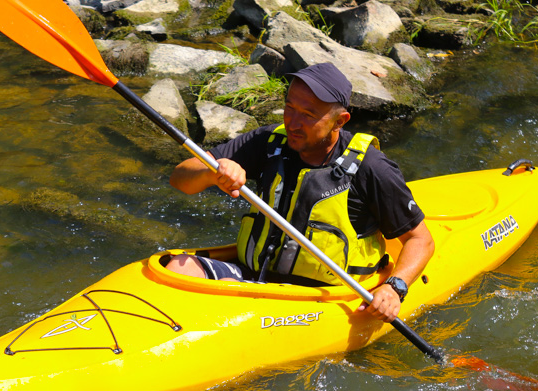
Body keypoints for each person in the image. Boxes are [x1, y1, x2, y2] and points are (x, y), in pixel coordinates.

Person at [166, 62, 434, 323]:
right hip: (254, 277)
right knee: (181, 267)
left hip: (317, 298)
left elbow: (420, 239)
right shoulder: (270, 142)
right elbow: (180, 178)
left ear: (339, 121)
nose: (293, 122)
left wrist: (395, 287)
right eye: (289, 107)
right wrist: (212, 172)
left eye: (308, 115)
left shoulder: (371, 168)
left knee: (228, 292)